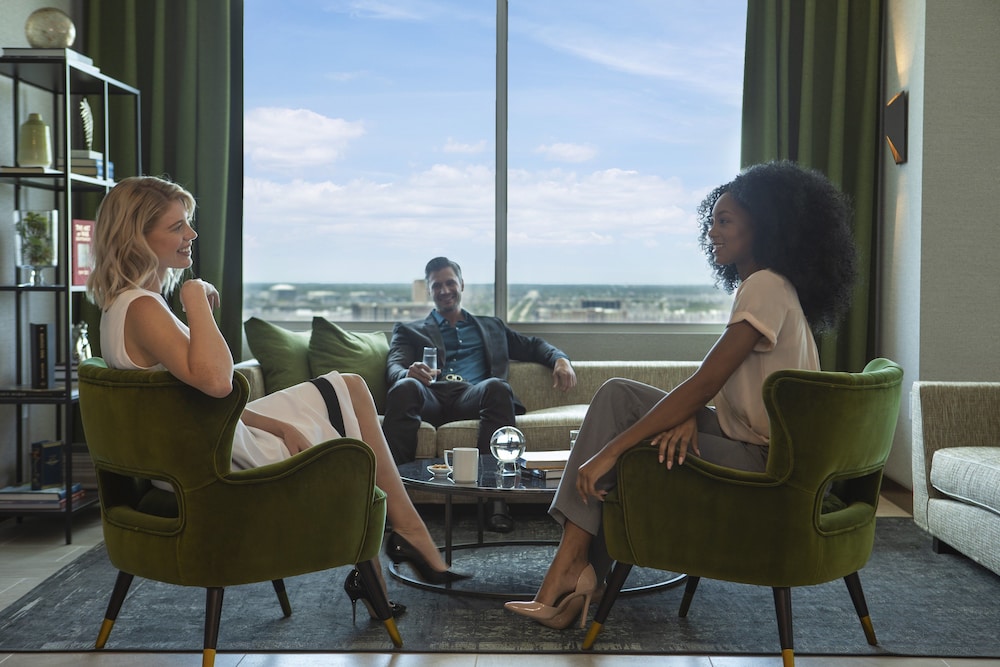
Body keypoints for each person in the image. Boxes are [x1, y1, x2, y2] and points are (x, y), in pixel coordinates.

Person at [86, 176, 467, 624]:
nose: (191, 234)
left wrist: (280, 425)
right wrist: (195, 299)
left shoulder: (125, 306)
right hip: (211, 467)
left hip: (202, 449)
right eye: (177, 227)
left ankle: (389, 558)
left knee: (349, 390)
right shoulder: (144, 308)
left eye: (187, 223)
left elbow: (194, 403)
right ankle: (407, 538)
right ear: (138, 237)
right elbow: (218, 383)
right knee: (350, 394)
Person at [504, 160, 857, 629]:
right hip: (753, 443)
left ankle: (570, 573)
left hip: (771, 466)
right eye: (712, 221)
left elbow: (706, 381)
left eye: (725, 221)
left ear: (764, 225)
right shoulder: (769, 287)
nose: (712, 232)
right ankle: (576, 570)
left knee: (625, 453)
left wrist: (609, 453)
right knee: (617, 396)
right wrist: (687, 414)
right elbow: (725, 386)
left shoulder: (766, 286)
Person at [383, 256, 578, 532]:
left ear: (461, 284)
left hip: (471, 396)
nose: (444, 290)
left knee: (497, 387)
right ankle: (395, 504)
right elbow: (393, 367)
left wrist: (560, 359)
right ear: (429, 290)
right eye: (436, 285)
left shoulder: (491, 327)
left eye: (450, 283)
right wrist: (408, 373)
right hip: (430, 396)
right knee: (404, 387)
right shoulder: (409, 330)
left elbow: (533, 346)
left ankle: (495, 502)